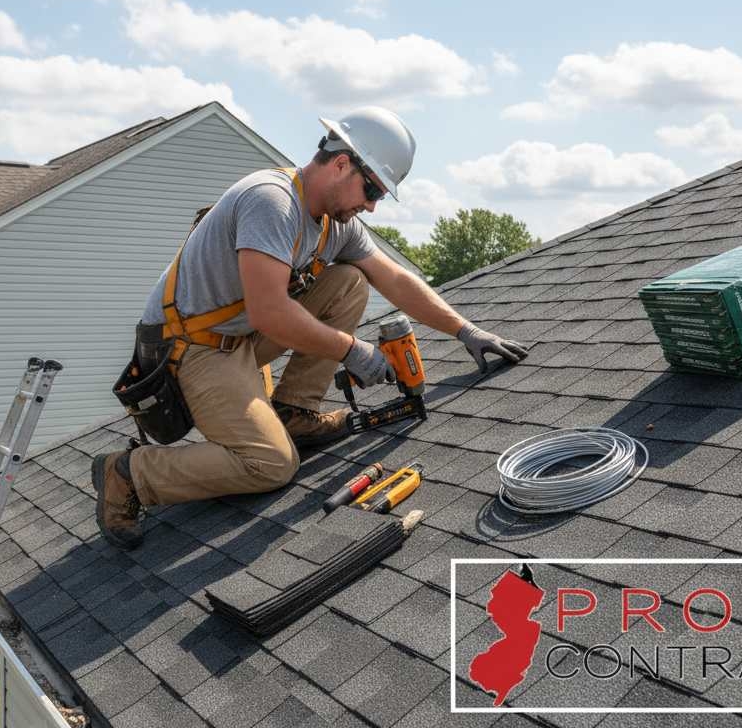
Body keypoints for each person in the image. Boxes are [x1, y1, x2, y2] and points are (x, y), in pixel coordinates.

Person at [93, 106, 529, 549]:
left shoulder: (334, 224)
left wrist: (466, 331)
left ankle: (293, 412)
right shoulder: (272, 201)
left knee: (350, 281)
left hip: (237, 336)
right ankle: (129, 473)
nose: (373, 206)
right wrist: (352, 350)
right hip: (191, 349)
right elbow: (270, 313)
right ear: (342, 163)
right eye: (372, 188)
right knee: (271, 465)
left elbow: (394, 278)